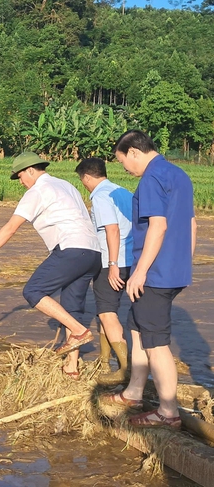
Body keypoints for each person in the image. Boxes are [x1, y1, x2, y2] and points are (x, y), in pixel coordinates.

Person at [0, 151, 101, 379]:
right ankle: (72, 367)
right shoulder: (65, 185)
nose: (21, 183)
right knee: (72, 307)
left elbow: (11, 227)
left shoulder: (38, 191)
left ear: (31, 170)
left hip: (71, 248)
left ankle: (79, 331)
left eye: (20, 177)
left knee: (33, 290)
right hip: (93, 252)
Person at [103, 130, 196, 430]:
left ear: (133, 152)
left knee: (156, 342)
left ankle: (168, 412)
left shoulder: (152, 178)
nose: (125, 169)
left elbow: (157, 225)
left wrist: (141, 271)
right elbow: (192, 223)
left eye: (122, 162)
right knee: (137, 327)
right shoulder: (179, 174)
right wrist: (183, 262)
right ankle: (133, 392)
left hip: (155, 273)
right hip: (172, 269)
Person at [75, 157, 134, 385]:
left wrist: (111, 265)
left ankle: (125, 369)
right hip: (132, 259)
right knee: (104, 310)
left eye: (83, 181)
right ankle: (103, 359)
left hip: (113, 261)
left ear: (87, 177)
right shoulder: (123, 192)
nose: (84, 185)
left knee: (108, 313)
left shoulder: (100, 196)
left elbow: (112, 230)